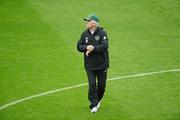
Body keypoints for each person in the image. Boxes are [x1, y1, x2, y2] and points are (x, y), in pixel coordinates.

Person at [77, 14, 109, 113]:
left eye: (88, 21)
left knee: (102, 86)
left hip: (102, 64)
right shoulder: (84, 34)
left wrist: (93, 48)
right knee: (92, 84)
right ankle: (93, 105)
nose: (86, 23)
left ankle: (98, 99)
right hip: (89, 65)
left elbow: (104, 46)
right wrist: (86, 47)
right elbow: (79, 46)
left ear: (94, 23)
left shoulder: (102, 33)